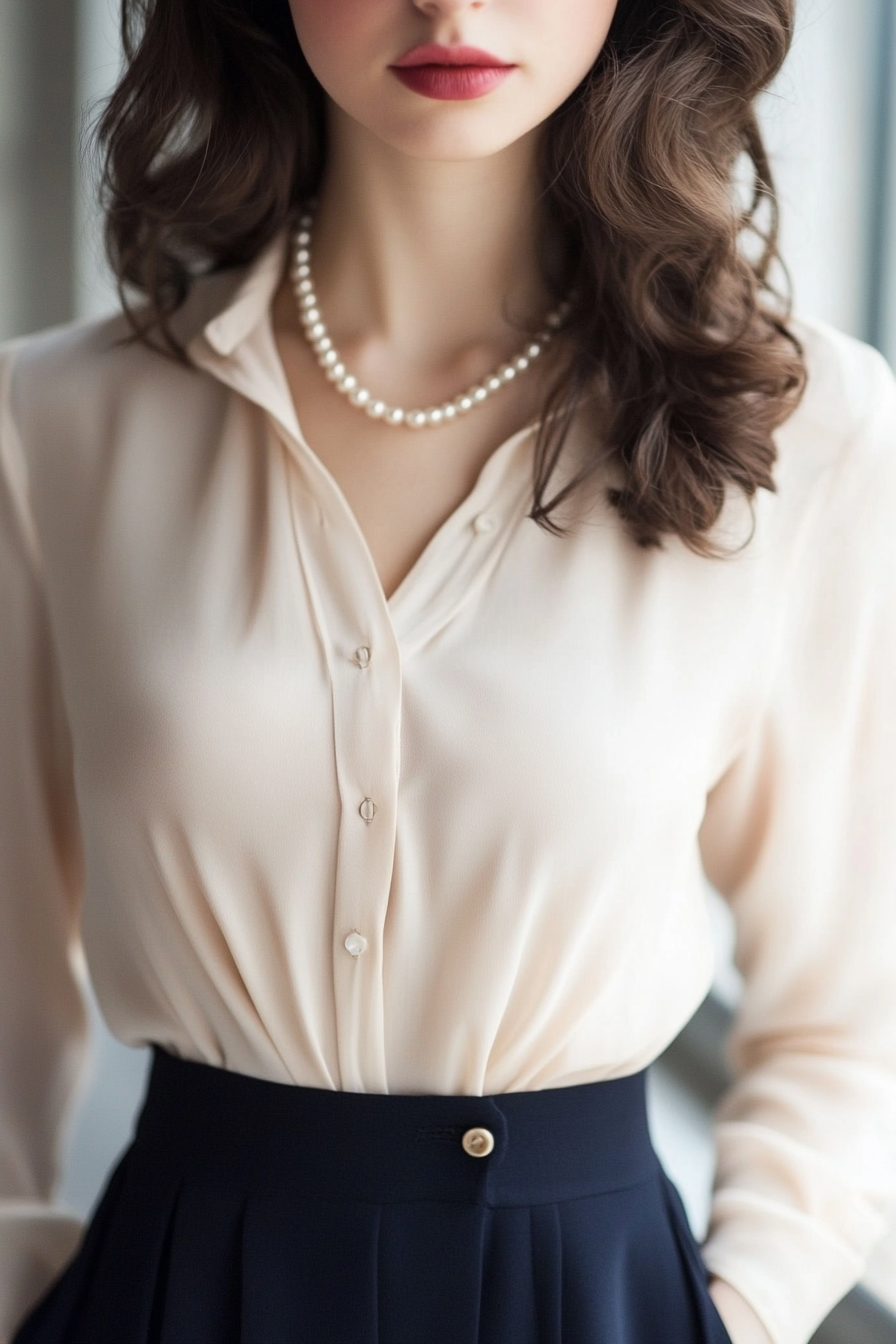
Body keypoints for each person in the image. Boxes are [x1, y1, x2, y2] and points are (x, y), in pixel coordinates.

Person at [1, 0, 895, 1340]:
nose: (454, 6)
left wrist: (738, 1311)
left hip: (590, 1299)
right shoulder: (54, 424)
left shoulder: (809, 430)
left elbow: (855, 1001)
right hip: (172, 1290)